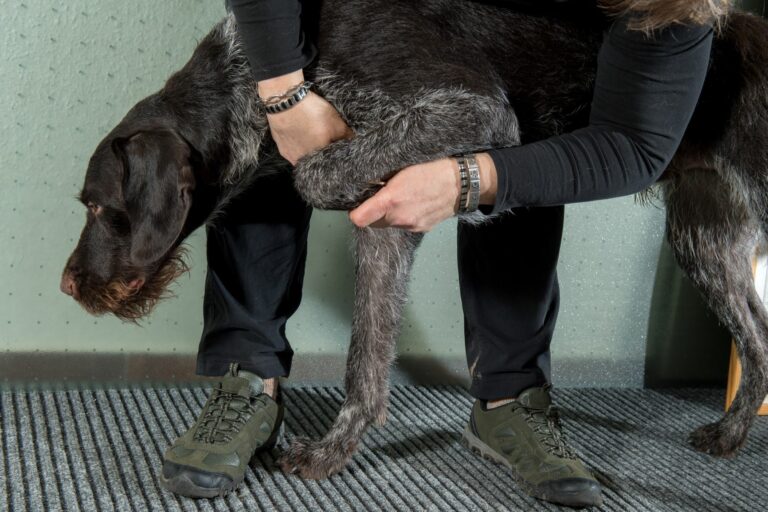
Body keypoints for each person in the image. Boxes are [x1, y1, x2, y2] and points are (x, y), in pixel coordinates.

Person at [159, 0, 723, 506]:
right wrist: (284, 93)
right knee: (265, 103)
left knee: (530, 112)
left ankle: (510, 394)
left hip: (495, 63)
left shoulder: (676, 4)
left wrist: (468, 179)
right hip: (343, 18)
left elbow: (631, 145)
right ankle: (248, 375)